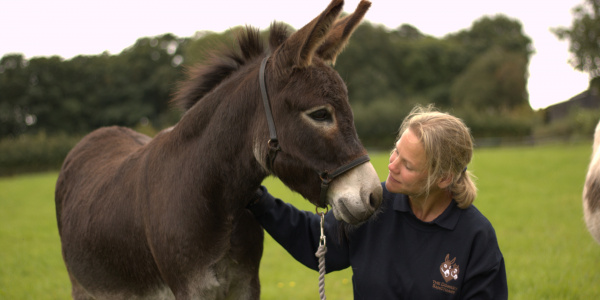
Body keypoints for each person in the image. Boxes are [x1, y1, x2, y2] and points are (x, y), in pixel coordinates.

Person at [247, 105, 508, 299]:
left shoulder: (475, 237)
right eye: (396, 151)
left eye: (408, 165)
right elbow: (318, 240)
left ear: (443, 178)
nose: (392, 165)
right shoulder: (376, 205)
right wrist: (260, 201)